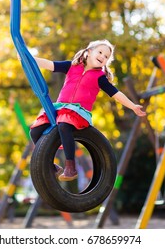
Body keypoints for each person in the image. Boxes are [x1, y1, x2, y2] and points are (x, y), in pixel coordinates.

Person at [27, 39, 146, 181]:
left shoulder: (100, 77)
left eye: (106, 56)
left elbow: (116, 93)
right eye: (100, 52)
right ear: (89, 52)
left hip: (78, 111)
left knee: (64, 126)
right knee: (35, 131)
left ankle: (70, 167)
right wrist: (28, 58)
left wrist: (133, 106)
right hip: (60, 108)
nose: (103, 56)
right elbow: (49, 64)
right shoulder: (71, 66)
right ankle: (51, 166)